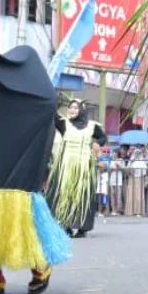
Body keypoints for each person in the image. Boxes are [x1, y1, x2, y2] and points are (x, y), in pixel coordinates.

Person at [47, 99, 108, 238]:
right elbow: (52, 114)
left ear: (82, 110)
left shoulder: (92, 126)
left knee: (82, 196)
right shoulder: (64, 124)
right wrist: (51, 97)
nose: (72, 110)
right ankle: (64, 224)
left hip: (84, 168)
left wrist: (97, 143)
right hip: (65, 167)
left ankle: (82, 227)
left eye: (75, 108)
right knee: (64, 195)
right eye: (70, 108)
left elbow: (102, 137)